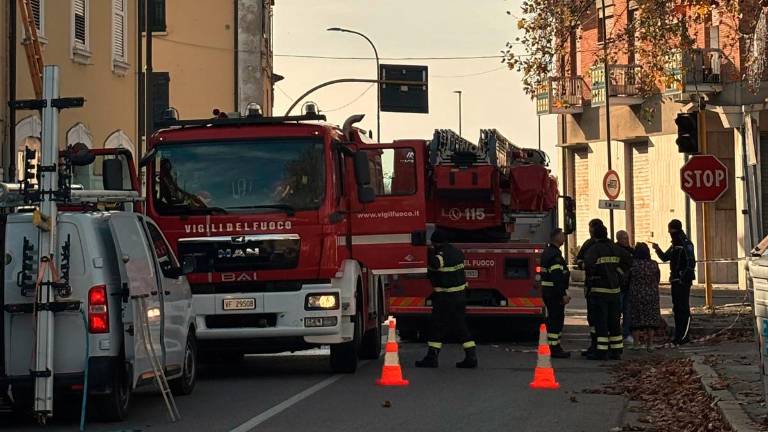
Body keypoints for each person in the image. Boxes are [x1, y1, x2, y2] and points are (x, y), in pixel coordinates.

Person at [416, 229, 478, 369]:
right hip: (460, 296)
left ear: (436, 242)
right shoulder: (457, 252)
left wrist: (424, 251)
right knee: (461, 326)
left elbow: (436, 264)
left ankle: (431, 358)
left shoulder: (441, 254)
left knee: (437, 326)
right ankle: (471, 356)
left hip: (445, 297)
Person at [583, 224, 633, 360]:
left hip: (599, 292)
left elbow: (587, 265)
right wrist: (618, 273)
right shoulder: (616, 248)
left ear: (595, 235)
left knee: (601, 323)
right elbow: (629, 260)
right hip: (615, 292)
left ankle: (601, 351)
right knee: (614, 322)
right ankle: (616, 351)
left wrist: (594, 274)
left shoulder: (594, 249)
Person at [653, 219, 696, 345]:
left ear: (673, 229)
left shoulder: (684, 243)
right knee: (677, 308)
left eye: (669, 230)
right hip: (675, 280)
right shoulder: (675, 243)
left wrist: (683, 278)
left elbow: (691, 262)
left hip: (682, 281)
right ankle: (679, 335)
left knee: (683, 309)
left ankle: (684, 336)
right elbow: (665, 257)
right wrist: (657, 249)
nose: (668, 232)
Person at [540, 228, 571, 358]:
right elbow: (557, 277)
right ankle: (554, 348)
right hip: (554, 293)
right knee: (556, 320)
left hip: (549, 291)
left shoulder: (548, 252)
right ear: (557, 237)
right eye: (562, 235)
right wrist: (562, 294)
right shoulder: (554, 255)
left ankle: (553, 346)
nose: (564, 237)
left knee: (553, 318)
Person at [576, 219, 605, 356]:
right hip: (610, 288)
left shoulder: (590, 245)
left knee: (594, 318)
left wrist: (583, 265)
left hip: (593, 286)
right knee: (607, 318)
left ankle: (596, 347)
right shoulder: (610, 245)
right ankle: (608, 348)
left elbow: (580, 261)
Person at [627, 243, 662, 351]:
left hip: (636, 295)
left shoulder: (632, 264)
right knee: (650, 321)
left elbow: (627, 279)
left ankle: (636, 344)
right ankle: (650, 344)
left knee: (636, 321)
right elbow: (657, 279)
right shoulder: (654, 264)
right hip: (651, 296)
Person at [615, 230, 635, 343]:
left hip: (629, 286)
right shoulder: (616, 250)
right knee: (617, 311)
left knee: (627, 312)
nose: (626, 240)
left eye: (627, 238)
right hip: (619, 286)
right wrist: (622, 274)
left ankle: (626, 333)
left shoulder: (632, 251)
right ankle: (616, 333)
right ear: (619, 239)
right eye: (623, 238)